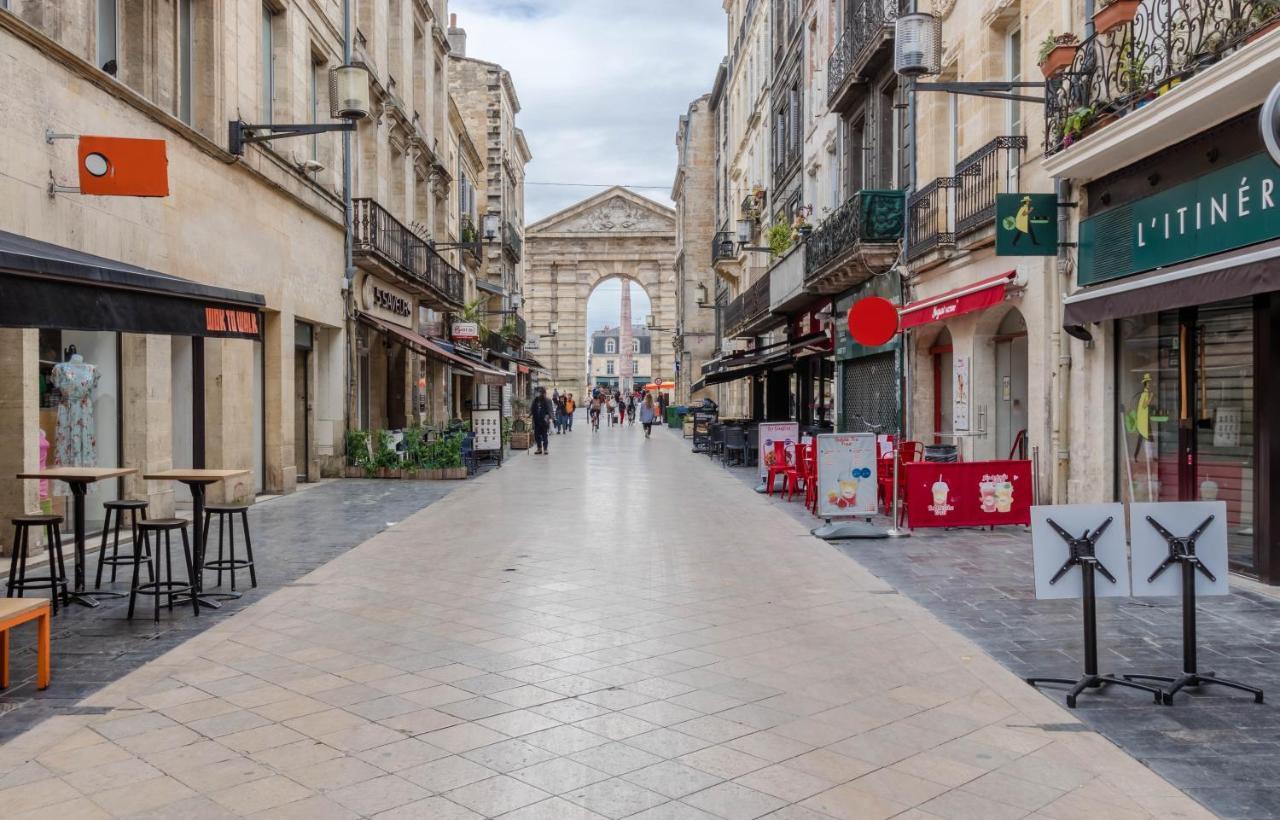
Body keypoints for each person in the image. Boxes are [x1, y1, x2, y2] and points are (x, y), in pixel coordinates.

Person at [531, 387, 553, 455]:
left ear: (543, 393)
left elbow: (550, 410)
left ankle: (545, 449)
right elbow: (532, 409)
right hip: (536, 420)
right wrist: (529, 415)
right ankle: (539, 448)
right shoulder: (535, 400)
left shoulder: (547, 400)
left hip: (544, 421)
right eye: (537, 392)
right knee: (537, 435)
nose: (538, 394)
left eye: (539, 392)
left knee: (544, 435)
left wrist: (551, 417)